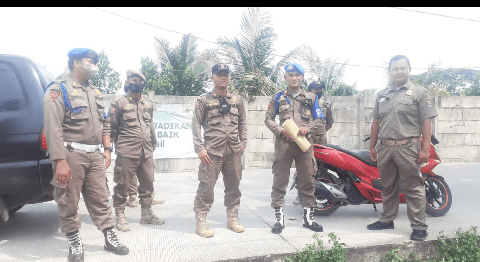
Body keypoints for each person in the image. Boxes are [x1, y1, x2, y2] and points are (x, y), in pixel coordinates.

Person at [43, 48, 128, 262]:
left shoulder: (95, 92)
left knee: (101, 197)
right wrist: (60, 160)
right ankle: (74, 240)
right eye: (89, 60)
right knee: (68, 200)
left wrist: (107, 149)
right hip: (71, 154)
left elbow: (105, 122)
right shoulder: (58, 89)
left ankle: (110, 237)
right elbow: (52, 128)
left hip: (95, 155)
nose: (93, 64)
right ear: (76, 62)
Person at [367, 55, 438, 241]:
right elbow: (376, 122)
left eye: (403, 68)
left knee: (413, 187)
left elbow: (426, 123)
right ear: (390, 72)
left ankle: (419, 226)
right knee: (387, 186)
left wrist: (424, 149)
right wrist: (372, 146)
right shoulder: (382, 95)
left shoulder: (420, 93)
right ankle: (387, 219)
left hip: (408, 147)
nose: (399, 71)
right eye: (395, 69)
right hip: (385, 148)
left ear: (409, 70)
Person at [264, 62, 324, 234]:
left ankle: (309, 219)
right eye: (290, 75)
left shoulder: (311, 98)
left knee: (307, 182)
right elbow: (268, 119)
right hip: (284, 145)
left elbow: (319, 119)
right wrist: (281, 131)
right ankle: (278, 220)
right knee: (279, 181)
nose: (294, 78)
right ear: (285, 78)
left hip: (304, 145)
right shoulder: (278, 98)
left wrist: (308, 128)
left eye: (297, 75)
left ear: (302, 77)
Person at [192, 63, 248, 238]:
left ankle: (233, 217)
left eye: (226, 74)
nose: (223, 77)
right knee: (206, 186)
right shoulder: (204, 100)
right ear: (212, 77)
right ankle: (201, 220)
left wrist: (243, 142)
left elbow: (243, 123)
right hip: (212, 151)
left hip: (233, 149)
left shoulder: (237, 100)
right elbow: (195, 125)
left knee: (234, 185)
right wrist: (200, 148)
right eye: (219, 74)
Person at [109, 69, 165, 232]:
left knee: (148, 183)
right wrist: (114, 146)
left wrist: (153, 141)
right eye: (134, 81)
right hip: (127, 151)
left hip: (146, 151)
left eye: (140, 82)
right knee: (122, 184)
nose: (137, 84)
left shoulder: (148, 103)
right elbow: (112, 127)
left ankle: (146, 214)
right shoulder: (119, 103)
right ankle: (120, 215)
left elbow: (151, 123)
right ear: (127, 83)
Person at [293, 81, 334, 205]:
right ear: (309, 90)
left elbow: (329, 124)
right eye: (315, 90)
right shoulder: (303, 104)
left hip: (321, 140)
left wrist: (320, 133)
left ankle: (321, 192)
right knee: (304, 167)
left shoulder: (326, 105)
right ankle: (300, 194)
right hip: (307, 139)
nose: (318, 92)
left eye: (320, 89)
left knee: (322, 167)